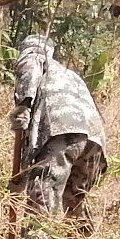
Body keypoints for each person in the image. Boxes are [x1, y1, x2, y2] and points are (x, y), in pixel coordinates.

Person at [11, 34, 107, 225]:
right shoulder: (70, 74)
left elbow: (30, 69)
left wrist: (23, 105)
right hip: (96, 142)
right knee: (74, 205)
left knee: (41, 206)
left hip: (62, 134)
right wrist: (21, 179)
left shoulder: (35, 58)